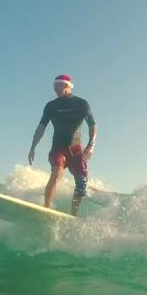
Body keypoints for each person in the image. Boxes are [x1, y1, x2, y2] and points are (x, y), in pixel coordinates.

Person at [28, 74, 97, 216]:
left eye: (57, 87)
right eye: (54, 87)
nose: (54, 90)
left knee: (81, 183)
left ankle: (73, 215)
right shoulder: (51, 106)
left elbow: (92, 125)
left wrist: (91, 144)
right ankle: (46, 209)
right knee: (57, 172)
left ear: (66, 86)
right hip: (58, 147)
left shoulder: (82, 104)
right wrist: (33, 147)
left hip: (76, 149)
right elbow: (41, 128)